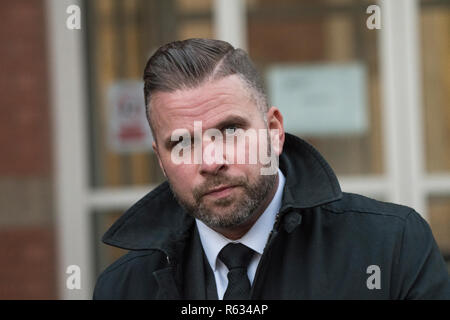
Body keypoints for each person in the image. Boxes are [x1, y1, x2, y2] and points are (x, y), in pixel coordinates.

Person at [93, 38, 450, 300]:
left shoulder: (391, 247)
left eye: (230, 131)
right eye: (181, 144)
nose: (210, 162)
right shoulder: (122, 288)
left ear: (275, 131)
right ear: (161, 158)